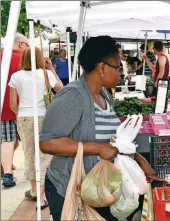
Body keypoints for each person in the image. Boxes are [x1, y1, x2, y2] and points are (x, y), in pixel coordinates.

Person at [39, 36, 160, 221]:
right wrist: (95, 148)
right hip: (71, 188)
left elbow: (110, 141)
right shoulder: (74, 95)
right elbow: (47, 142)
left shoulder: (104, 95)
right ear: (102, 67)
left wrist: (138, 159)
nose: (120, 73)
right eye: (118, 67)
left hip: (98, 189)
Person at [9, 47, 63, 209]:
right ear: (40, 58)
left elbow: (13, 104)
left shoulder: (15, 76)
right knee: (45, 155)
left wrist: (22, 114)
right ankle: (41, 195)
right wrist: (51, 69)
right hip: (43, 116)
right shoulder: (45, 74)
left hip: (24, 117)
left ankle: (33, 190)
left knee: (29, 153)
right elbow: (61, 88)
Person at [0, 33, 29, 187]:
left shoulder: (1, 56)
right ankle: (32, 171)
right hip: (25, 106)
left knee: (8, 139)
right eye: (27, 45)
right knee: (29, 140)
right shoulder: (24, 59)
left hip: (4, 107)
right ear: (20, 44)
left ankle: (7, 174)